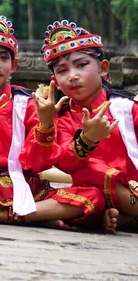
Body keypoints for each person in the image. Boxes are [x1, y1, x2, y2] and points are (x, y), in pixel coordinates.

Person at [0, 14, 106, 229]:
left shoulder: (29, 104)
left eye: (3, 58)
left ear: (14, 65)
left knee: (93, 196)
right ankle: (41, 216)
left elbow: (39, 163)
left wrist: (46, 126)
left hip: (29, 186)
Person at [43, 20, 132, 233]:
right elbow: (65, 162)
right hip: (94, 195)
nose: (73, 75)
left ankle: (125, 218)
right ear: (55, 80)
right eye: (63, 70)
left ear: (103, 68)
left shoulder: (127, 108)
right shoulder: (62, 118)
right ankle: (122, 219)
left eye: (82, 65)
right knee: (88, 173)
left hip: (132, 189)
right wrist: (87, 140)